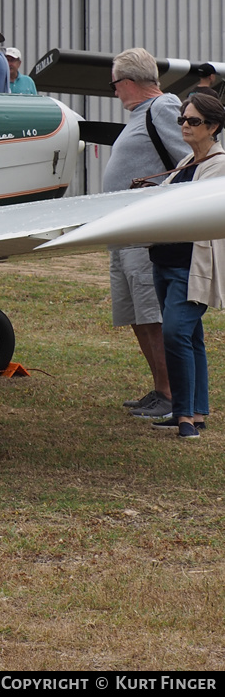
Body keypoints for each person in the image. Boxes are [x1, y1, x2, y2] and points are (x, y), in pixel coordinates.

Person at [104, 48, 190, 420]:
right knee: (137, 313)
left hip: (146, 231)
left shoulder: (163, 109)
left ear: (128, 83)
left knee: (151, 312)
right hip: (126, 232)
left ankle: (170, 394)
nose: (115, 92)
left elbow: (189, 161)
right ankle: (160, 390)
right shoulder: (144, 113)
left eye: (115, 85)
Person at [146, 91, 225, 440]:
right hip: (165, 262)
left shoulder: (218, 166)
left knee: (175, 333)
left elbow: (186, 208)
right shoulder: (185, 163)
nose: (185, 127)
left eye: (193, 121)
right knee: (190, 337)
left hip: (191, 265)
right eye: (182, 120)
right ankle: (195, 412)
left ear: (213, 127)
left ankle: (183, 418)